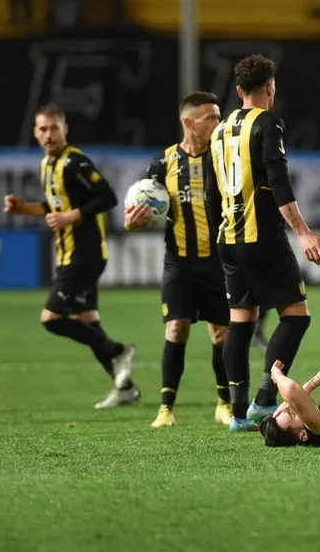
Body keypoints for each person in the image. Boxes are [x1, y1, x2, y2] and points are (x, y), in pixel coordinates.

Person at [205, 54, 320, 432]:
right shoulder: (268, 122)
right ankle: (263, 400)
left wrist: (220, 238)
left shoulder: (219, 130)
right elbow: (279, 182)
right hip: (261, 236)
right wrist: (304, 231)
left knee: (240, 320)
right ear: (270, 88)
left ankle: (238, 413)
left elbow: (211, 194)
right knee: (296, 315)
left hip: (228, 238)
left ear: (240, 89)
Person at [3, 104, 138, 409]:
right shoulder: (46, 165)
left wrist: (71, 217)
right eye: (42, 129)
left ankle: (118, 351)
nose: (48, 134)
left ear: (65, 129)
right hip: (68, 253)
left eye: (53, 127)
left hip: (85, 254)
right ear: (35, 133)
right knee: (86, 319)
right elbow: (54, 206)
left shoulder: (75, 162)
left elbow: (108, 197)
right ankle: (125, 388)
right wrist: (24, 208)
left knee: (51, 318)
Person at [124, 91, 233, 428]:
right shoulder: (163, 163)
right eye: (210, 118)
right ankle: (166, 409)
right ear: (189, 123)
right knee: (177, 327)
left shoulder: (223, 158)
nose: (218, 123)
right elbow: (135, 215)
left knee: (222, 335)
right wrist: (134, 221)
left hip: (218, 261)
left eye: (218, 116)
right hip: (180, 263)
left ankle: (224, 404)